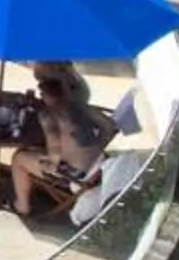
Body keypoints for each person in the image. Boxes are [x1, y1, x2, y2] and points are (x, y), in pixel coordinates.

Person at [8, 68, 108, 216]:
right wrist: (98, 144)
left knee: (19, 158)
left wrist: (48, 165)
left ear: (46, 96)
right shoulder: (82, 107)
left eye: (42, 95)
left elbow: (54, 151)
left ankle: (22, 206)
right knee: (32, 151)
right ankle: (33, 186)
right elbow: (110, 126)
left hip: (76, 176)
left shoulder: (50, 116)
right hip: (99, 166)